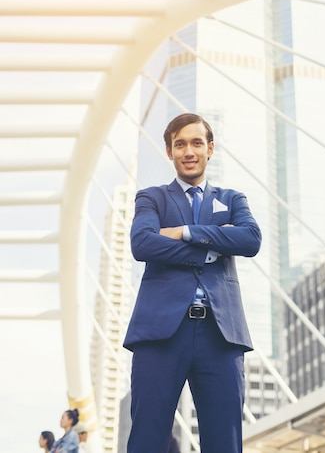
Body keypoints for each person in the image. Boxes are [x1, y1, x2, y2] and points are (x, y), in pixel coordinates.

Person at [124, 112, 262, 453]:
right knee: (147, 439)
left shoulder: (232, 199)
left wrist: (186, 233)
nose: (189, 151)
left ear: (210, 148)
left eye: (196, 143)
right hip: (159, 334)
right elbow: (142, 244)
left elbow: (250, 240)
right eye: (180, 144)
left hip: (221, 336)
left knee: (224, 443)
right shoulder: (151, 198)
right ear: (169, 152)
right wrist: (212, 248)